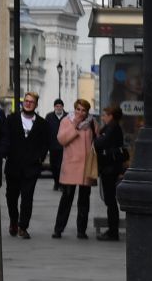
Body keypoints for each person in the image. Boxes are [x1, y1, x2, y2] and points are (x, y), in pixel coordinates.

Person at [0, 93, 51, 239]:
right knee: (11, 197)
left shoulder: (42, 123)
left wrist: (40, 158)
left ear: (36, 104)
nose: (28, 104)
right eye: (26, 101)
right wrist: (4, 153)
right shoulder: (12, 119)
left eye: (31, 102)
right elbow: (5, 137)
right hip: (13, 165)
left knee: (27, 198)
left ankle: (23, 226)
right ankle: (13, 221)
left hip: (31, 167)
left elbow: (46, 143)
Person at [51, 99, 97, 239]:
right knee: (66, 198)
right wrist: (75, 126)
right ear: (74, 109)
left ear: (87, 111)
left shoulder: (92, 123)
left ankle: (81, 230)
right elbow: (61, 140)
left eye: (83, 110)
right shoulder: (67, 121)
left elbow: (98, 139)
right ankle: (58, 229)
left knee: (84, 200)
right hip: (71, 165)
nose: (80, 113)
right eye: (78, 109)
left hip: (86, 167)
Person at [94, 104, 127, 240]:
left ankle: (113, 231)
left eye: (104, 115)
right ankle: (112, 229)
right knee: (109, 199)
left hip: (110, 168)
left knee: (110, 199)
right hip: (109, 167)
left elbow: (100, 143)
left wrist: (97, 136)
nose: (102, 117)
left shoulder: (112, 128)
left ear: (110, 116)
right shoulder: (112, 127)